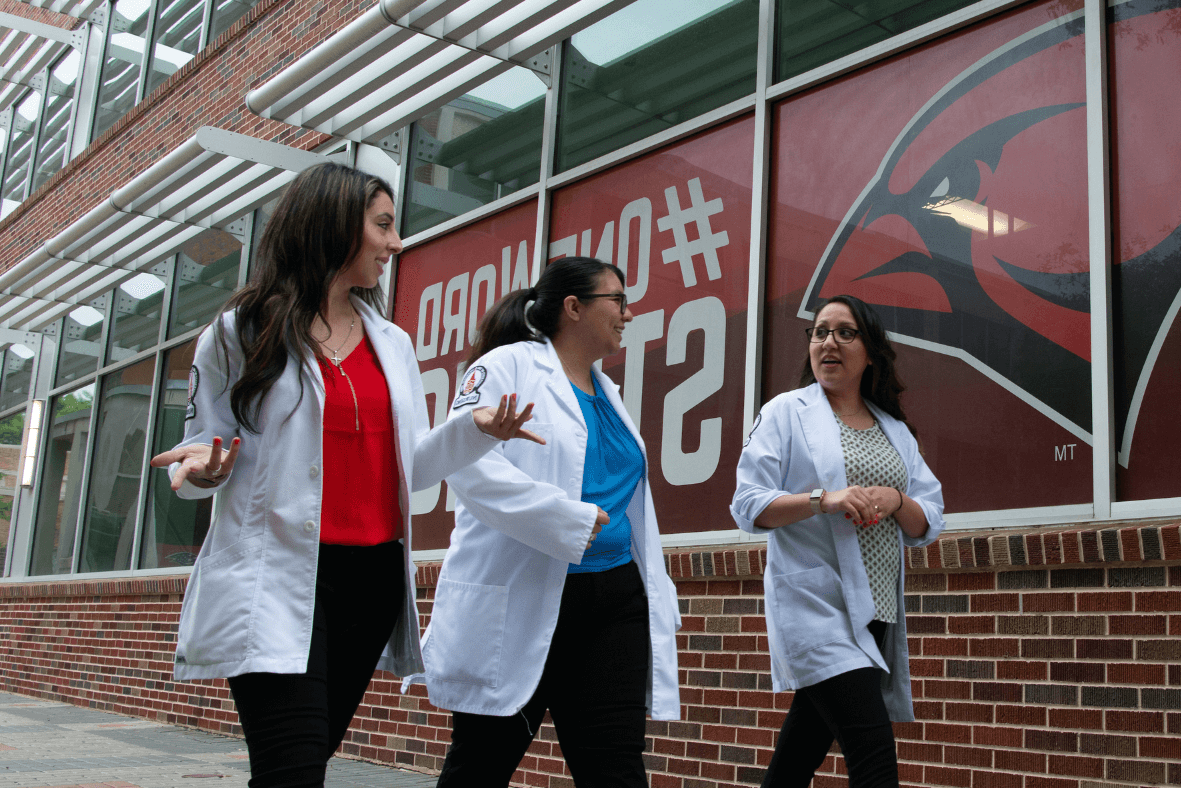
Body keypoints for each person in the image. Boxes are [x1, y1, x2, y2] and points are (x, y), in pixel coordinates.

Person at [151, 163, 542, 788]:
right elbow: (200, 453)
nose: (396, 243)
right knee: (293, 772)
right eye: (383, 225)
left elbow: (406, 468)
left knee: (297, 765)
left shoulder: (393, 343)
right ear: (333, 226)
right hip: (280, 576)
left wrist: (476, 429)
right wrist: (201, 470)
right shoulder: (240, 332)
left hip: (371, 582)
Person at [422, 256, 681, 787]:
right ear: (573, 307)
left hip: (613, 600)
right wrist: (562, 520)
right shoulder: (506, 367)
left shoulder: (607, 392)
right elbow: (465, 467)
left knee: (616, 769)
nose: (627, 313)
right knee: (481, 765)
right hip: (528, 593)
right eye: (618, 300)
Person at [730, 295, 946, 788]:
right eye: (819, 331)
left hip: (876, 615)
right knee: (873, 758)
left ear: (870, 352)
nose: (828, 342)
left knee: (797, 759)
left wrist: (895, 498)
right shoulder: (786, 412)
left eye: (844, 332)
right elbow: (747, 504)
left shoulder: (893, 429)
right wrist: (820, 499)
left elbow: (929, 519)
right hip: (817, 608)